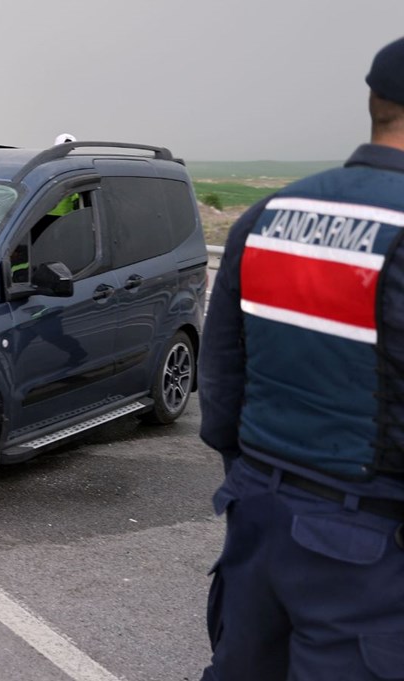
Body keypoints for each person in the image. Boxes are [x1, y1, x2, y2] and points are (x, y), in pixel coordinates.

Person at [198, 36, 404, 680]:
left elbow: (221, 384)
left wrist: (256, 477)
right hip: (367, 549)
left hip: (257, 517)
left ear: (375, 102)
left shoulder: (269, 214)